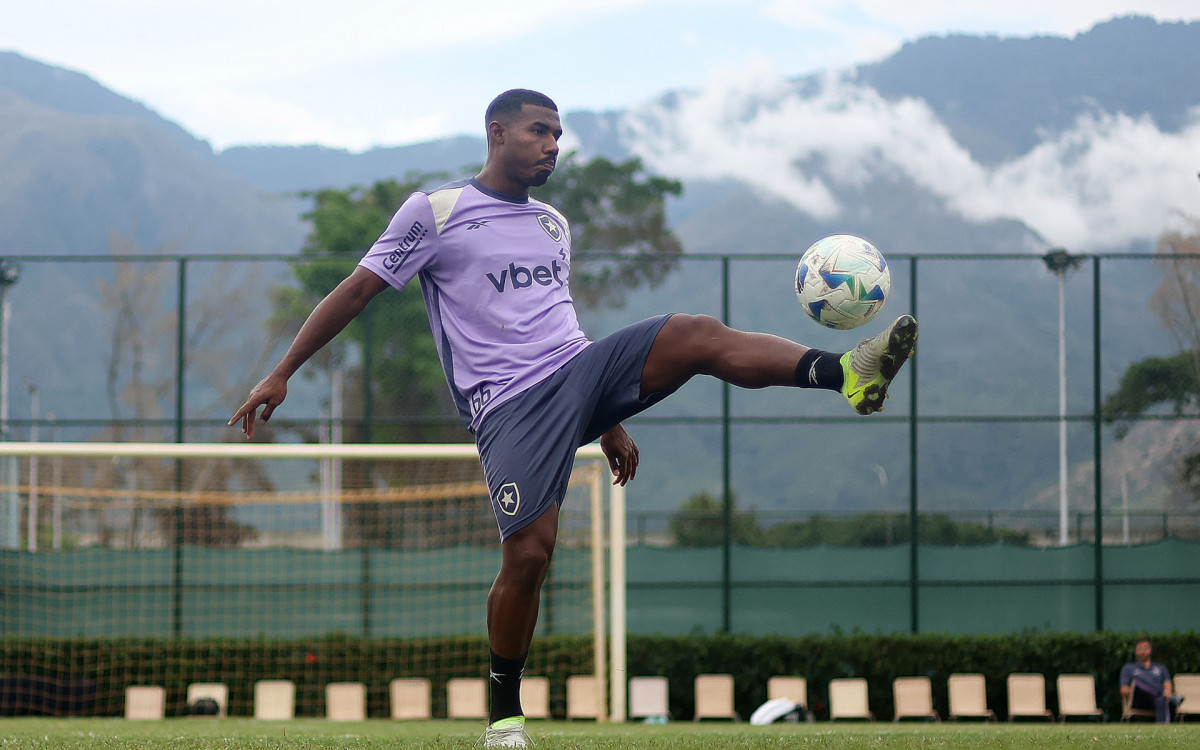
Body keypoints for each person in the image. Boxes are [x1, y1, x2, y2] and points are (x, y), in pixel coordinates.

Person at [228, 89, 918, 747]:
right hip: (508, 407)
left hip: (578, 372)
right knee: (529, 554)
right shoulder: (434, 212)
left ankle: (849, 374)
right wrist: (284, 370)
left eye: (559, 134)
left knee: (696, 332)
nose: (553, 145)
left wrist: (606, 415)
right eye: (539, 131)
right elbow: (355, 291)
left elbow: (558, 325)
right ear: (498, 132)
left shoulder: (553, 224)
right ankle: (504, 717)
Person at [1120, 637, 1176, 723]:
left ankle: (1162, 728)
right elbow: (1124, 689)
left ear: (1151, 650)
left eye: (1145, 648)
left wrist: (1166, 692)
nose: (1142, 652)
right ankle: (1172, 697)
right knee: (1138, 682)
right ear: (1135, 651)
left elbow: (1168, 686)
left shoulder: (1161, 668)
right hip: (1138, 699)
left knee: (1161, 699)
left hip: (1157, 700)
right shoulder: (1129, 668)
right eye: (1139, 649)